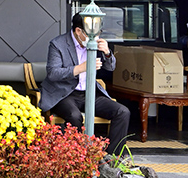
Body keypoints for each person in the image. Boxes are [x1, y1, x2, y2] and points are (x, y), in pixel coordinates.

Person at [39, 13, 130, 155]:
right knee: (74, 116)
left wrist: (107, 52)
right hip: (65, 94)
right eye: (90, 33)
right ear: (78, 31)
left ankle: (113, 157)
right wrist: (81, 68)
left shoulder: (95, 43)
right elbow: (53, 73)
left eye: (98, 32)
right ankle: (75, 156)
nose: (95, 36)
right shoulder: (58, 44)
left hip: (90, 92)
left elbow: (111, 68)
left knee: (122, 112)